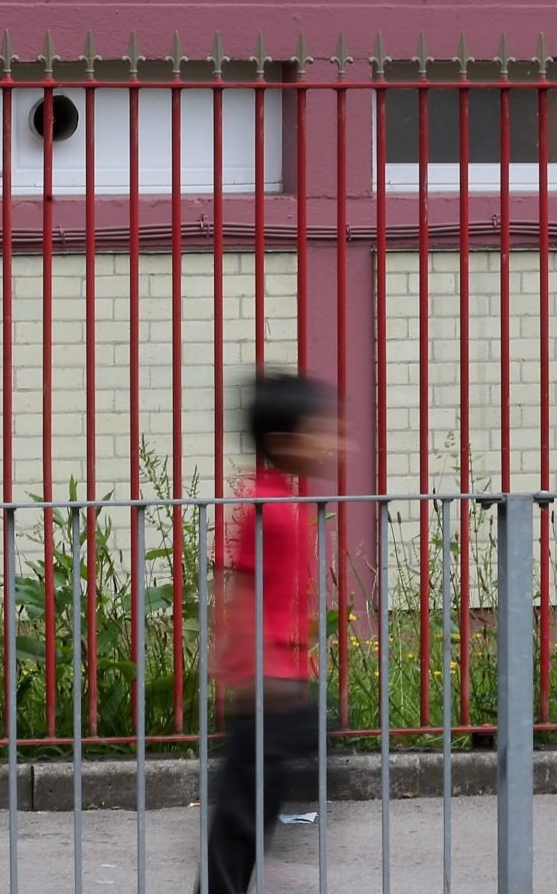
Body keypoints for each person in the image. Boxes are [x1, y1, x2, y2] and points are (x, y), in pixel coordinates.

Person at [196, 373, 338, 894]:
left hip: (276, 677)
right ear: (282, 444)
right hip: (268, 683)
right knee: (241, 815)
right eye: (317, 430)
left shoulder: (278, 500)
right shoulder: (268, 507)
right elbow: (245, 591)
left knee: (250, 809)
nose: (329, 441)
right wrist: (247, 664)